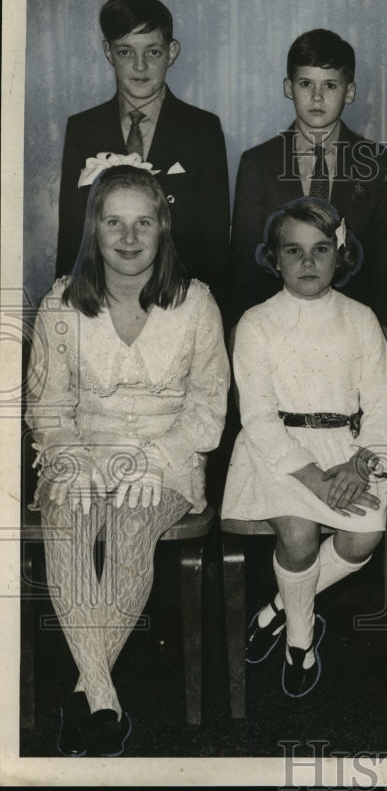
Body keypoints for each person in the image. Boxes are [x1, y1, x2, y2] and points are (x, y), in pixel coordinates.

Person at [26, 164, 228, 757]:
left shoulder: (196, 304)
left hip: (168, 459)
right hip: (80, 454)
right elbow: (48, 406)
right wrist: (71, 460)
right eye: (115, 222)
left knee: (132, 524)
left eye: (144, 222)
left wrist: (152, 461)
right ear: (95, 229)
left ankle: (88, 688)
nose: (130, 236)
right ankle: (102, 698)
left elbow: (207, 410)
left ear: (163, 227)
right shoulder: (61, 303)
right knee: (68, 519)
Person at [223, 197, 387, 699]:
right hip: (279, 451)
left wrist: (362, 461)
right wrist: (313, 478)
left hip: (350, 450)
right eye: (293, 251)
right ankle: (300, 642)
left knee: (363, 537)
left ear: (340, 255)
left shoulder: (360, 318)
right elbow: (259, 417)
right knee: (299, 534)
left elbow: (383, 408)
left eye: (320, 249)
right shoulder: (256, 323)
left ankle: (280, 608)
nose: (307, 262)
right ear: (275, 257)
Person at [57, 0, 230, 310]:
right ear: (108, 51)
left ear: (171, 52)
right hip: (101, 304)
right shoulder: (83, 129)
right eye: (126, 52)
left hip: (179, 303)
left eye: (152, 51)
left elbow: (215, 244)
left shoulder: (202, 129)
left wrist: (212, 317)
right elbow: (71, 238)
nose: (140, 66)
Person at [229, 29, 387, 348]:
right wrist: (241, 342)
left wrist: (384, 341)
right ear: (288, 87)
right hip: (276, 337)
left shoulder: (377, 163)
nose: (317, 97)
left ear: (349, 92)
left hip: (351, 339)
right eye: (306, 84)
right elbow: (243, 269)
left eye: (330, 85)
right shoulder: (258, 164)